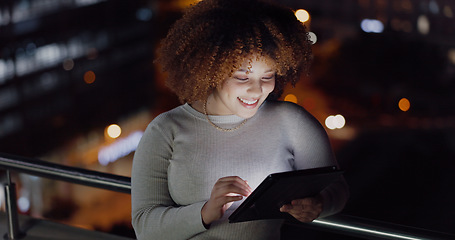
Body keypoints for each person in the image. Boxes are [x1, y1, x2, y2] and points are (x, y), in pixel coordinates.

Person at [131, 0, 349, 239]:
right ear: (211, 71)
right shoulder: (166, 130)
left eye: (267, 76)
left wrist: (320, 204)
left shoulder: (293, 123)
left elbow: (337, 189)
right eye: (242, 78)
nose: (256, 91)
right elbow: (145, 227)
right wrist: (205, 212)